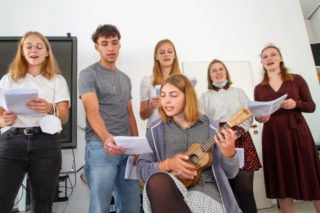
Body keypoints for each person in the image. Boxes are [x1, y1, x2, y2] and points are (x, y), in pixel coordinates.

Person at [137, 74, 242, 213]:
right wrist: (168, 164)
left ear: (188, 97)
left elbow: (231, 174)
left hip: (205, 191)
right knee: (158, 181)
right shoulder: (155, 130)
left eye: (173, 95)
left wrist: (229, 153)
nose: (166, 101)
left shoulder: (212, 127)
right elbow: (141, 170)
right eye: (163, 95)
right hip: (169, 190)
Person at [0, 31, 70, 212]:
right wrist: (4, 120)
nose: (34, 50)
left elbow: (64, 116)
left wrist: (49, 108)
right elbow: (0, 118)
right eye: (29, 46)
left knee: (43, 204)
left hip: (46, 143)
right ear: (22, 51)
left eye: (39, 46)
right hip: (12, 141)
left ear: (47, 52)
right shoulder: (8, 80)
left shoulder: (57, 80)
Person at [79, 24, 140, 213]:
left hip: (126, 149)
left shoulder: (125, 78)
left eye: (114, 43)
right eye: (105, 43)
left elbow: (129, 113)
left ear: (119, 45)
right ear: (96, 47)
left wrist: (136, 145)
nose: (110, 48)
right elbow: (91, 111)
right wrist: (107, 137)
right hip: (101, 147)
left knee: (131, 206)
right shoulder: (88, 74)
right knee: (100, 207)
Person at [254, 44, 320, 213]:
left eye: (273, 55)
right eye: (265, 56)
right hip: (273, 137)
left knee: (311, 177)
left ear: (280, 58)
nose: (269, 58)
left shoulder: (296, 79)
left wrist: (296, 104)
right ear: (261, 61)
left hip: (297, 134)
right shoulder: (259, 88)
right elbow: (258, 113)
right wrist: (260, 117)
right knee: (282, 179)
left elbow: (311, 106)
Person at [199, 59, 261, 213]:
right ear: (209, 76)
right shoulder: (204, 96)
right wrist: (217, 135)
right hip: (217, 143)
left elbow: (248, 115)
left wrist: (238, 131)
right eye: (214, 70)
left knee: (245, 191)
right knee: (227, 192)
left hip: (241, 139)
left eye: (221, 69)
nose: (218, 72)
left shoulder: (239, 92)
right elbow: (202, 121)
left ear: (226, 72)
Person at [140, 39, 181, 127]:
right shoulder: (147, 81)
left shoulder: (183, 81)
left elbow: (189, 110)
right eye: (162, 52)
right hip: (154, 131)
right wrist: (151, 106)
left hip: (177, 131)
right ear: (156, 57)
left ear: (174, 56)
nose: (166, 54)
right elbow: (142, 115)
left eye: (170, 52)